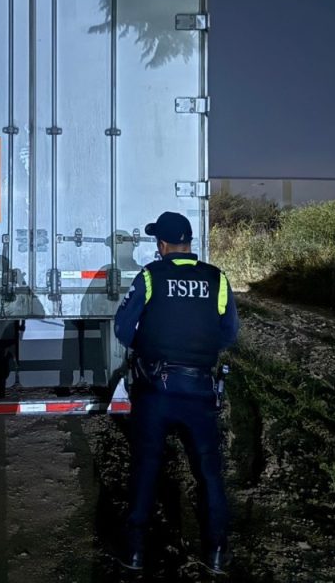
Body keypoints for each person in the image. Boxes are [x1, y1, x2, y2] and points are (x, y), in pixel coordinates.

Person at [113, 211, 240, 575]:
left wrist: (151, 348)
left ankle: (135, 553)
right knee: (208, 472)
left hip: (156, 390)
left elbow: (123, 329)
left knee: (146, 467)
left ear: (162, 245)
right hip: (200, 389)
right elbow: (229, 334)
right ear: (188, 244)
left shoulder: (151, 276)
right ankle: (217, 552)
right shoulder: (217, 278)